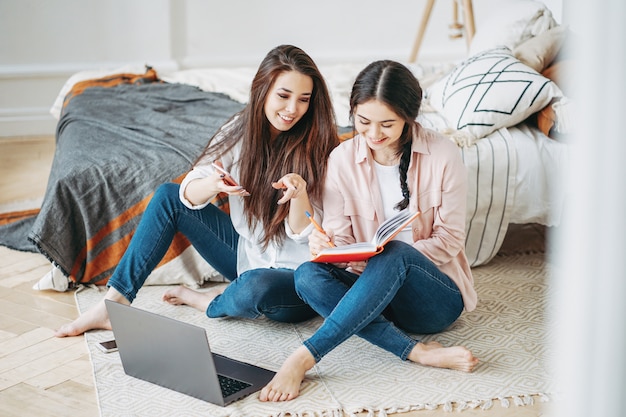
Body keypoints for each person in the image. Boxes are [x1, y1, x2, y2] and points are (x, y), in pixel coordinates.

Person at [55, 44, 339, 337]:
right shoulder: (239, 131)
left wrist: (300, 194)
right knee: (167, 195)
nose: (293, 109)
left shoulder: (321, 144)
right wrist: (213, 185)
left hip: (295, 281)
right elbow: (187, 193)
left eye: (303, 99)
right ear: (262, 90)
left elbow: (305, 231)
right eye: (283, 95)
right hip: (247, 257)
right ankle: (113, 304)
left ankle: (209, 302)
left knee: (257, 286)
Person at [259, 60, 479, 402]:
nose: (374, 135)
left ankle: (305, 356)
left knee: (394, 253)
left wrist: (385, 261)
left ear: (409, 117)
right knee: (307, 276)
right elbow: (342, 237)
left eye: (387, 124)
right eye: (363, 122)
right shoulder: (342, 160)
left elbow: (450, 240)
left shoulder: (443, 155)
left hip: (432, 299)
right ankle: (416, 352)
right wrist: (332, 247)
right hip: (370, 293)